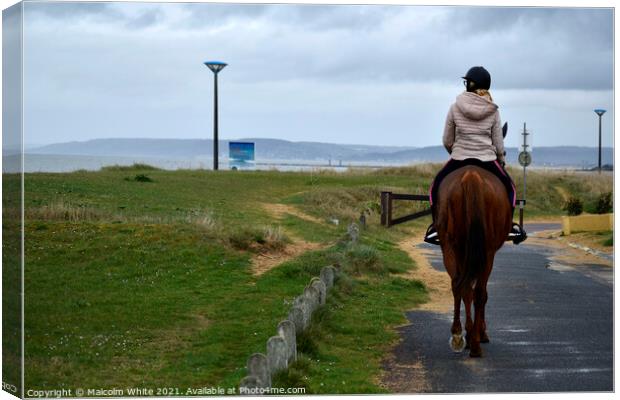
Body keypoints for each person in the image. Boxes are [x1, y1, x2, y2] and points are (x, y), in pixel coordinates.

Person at [423, 66, 527, 245]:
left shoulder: (455, 107)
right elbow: (498, 144)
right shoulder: (493, 110)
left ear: (471, 84)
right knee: (510, 189)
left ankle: (436, 227)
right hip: (487, 159)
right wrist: (500, 160)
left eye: (467, 82)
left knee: (434, 187)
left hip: (459, 157)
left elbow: (447, 139)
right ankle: (508, 225)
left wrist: (456, 152)